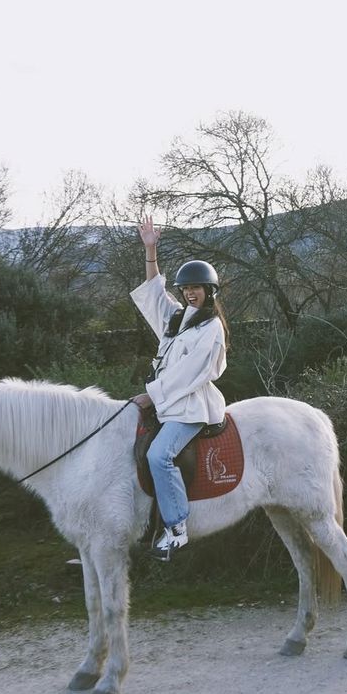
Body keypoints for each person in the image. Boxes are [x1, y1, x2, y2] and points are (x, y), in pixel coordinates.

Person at [131, 216, 229, 560]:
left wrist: (152, 394)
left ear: (209, 291)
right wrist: (150, 249)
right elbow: (154, 295)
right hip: (167, 401)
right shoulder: (178, 318)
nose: (189, 293)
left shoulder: (211, 329)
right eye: (186, 289)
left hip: (191, 405)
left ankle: (176, 529)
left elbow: (190, 374)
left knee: (160, 455)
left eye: (196, 289)